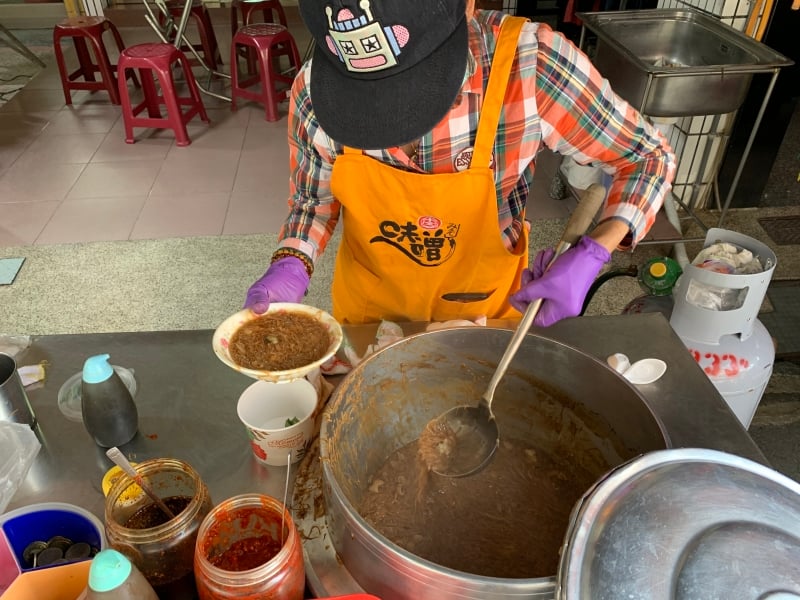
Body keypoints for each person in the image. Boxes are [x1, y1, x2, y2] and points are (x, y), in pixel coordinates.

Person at [243, 0, 676, 327]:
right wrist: (291, 261)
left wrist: (595, 248)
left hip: (485, 314)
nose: (393, 123)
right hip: (370, 316)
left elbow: (647, 156)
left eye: (412, 88)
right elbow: (312, 200)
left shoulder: (530, 63)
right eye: (368, 99)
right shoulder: (314, 91)